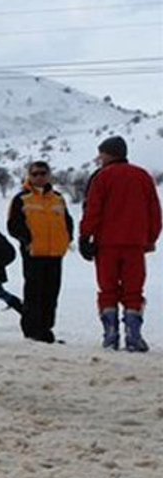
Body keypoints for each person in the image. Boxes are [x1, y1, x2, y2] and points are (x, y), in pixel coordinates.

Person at [79, 136, 161, 351]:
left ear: (109, 154)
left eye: (101, 154)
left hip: (106, 245)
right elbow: (155, 212)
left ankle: (111, 334)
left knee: (108, 289)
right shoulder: (142, 176)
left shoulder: (102, 178)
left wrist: (85, 236)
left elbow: (93, 210)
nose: (99, 158)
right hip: (135, 244)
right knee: (134, 290)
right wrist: (150, 239)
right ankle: (133, 336)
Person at [6, 160, 73, 344]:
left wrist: (67, 240)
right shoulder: (22, 198)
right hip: (34, 253)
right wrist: (27, 241)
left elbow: (68, 222)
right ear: (29, 176)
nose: (39, 177)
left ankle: (46, 329)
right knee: (34, 293)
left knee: (51, 293)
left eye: (42, 173)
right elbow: (13, 225)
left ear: (49, 175)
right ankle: (32, 331)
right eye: (35, 174)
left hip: (55, 254)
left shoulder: (58, 198)